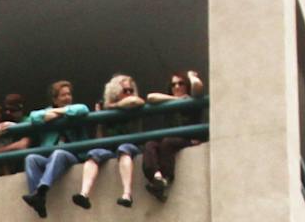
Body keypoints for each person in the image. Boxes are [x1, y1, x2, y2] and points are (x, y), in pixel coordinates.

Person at [73, 73, 146, 209]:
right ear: (115, 91)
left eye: (131, 90)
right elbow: (100, 138)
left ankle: (127, 194)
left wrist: (111, 107)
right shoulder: (104, 106)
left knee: (123, 148)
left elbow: (136, 101)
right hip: (110, 149)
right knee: (94, 154)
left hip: (130, 147)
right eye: (125, 90)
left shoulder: (132, 104)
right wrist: (100, 120)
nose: (129, 93)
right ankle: (84, 194)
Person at [19, 80, 91, 218]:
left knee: (59, 153)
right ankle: (38, 200)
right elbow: (34, 117)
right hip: (48, 157)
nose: (67, 98)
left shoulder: (75, 109)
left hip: (72, 156)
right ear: (55, 99)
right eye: (63, 95)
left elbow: (83, 109)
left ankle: (42, 189)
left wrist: (58, 112)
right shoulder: (61, 111)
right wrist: (63, 113)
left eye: (69, 94)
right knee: (31, 158)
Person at [141, 70, 207, 201]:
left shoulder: (192, 99)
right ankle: (156, 176)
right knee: (150, 144)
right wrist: (175, 99)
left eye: (181, 83)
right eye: (173, 84)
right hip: (171, 138)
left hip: (187, 140)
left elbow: (198, 87)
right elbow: (151, 97)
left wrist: (191, 76)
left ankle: (166, 178)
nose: (177, 87)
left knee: (167, 142)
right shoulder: (169, 101)